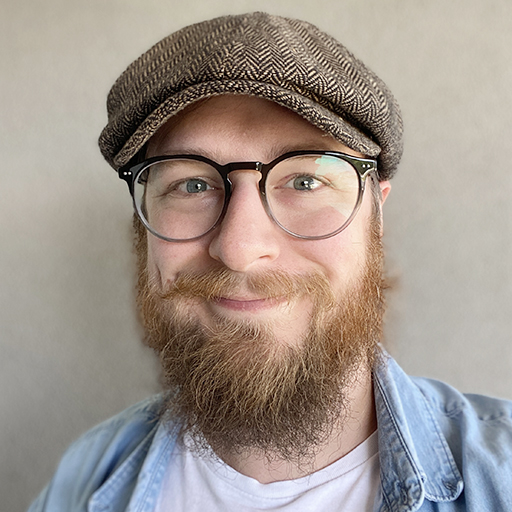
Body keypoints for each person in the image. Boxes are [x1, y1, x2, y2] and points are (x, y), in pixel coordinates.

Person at [28, 12, 512, 512]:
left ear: (376, 214)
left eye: (305, 181)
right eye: (191, 184)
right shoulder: (83, 481)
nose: (239, 250)